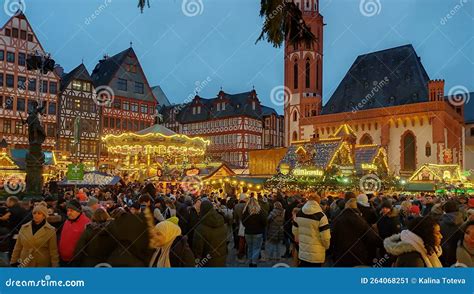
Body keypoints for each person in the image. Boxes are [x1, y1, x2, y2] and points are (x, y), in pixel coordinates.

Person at [332, 199, 381, 267]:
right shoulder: (359, 220)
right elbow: (371, 236)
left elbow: (333, 237)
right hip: (357, 255)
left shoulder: (338, 219)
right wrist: (383, 244)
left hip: (340, 254)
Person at [10, 202, 59, 267]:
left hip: (41, 264)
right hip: (25, 262)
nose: (36, 215)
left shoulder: (50, 230)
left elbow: (53, 251)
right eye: (34, 213)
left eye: (39, 213)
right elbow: (18, 246)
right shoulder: (24, 227)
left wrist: (55, 266)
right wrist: (13, 261)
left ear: (44, 216)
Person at [294, 193, 330, 267]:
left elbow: (294, 231)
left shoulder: (299, 213)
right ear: (318, 202)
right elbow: (325, 237)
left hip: (303, 251)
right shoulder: (321, 216)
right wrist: (326, 247)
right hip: (316, 253)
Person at [192, 200, 227, 267]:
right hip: (221, 259)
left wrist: (196, 262)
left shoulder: (200, 228)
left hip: (207, 262)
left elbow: (197, 250)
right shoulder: (221, 222)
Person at [58, 199, 90, 266]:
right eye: (68, 210)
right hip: (62, 260)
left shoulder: (86, 223)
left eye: (71, 211)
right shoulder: (67, 221)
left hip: (76, 262)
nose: (68, 213)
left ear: (78, 211)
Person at [242, 197, 267, 267]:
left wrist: (247, 226)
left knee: (250, 247)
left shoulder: (245, 211)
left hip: (248, 232)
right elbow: (264, 221)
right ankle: (254, 262)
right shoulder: (260, 211)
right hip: (258, 232)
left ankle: (250, 261)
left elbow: (243, 222)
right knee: (256, 248)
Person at [439, 200, 464, 266]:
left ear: (445, 210)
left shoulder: (439, 224)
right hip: (458, 256)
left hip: (442, 254)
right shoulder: (464, 224)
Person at [233, 193, 248, 261]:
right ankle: (246, 252)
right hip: (246, 224)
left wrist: (236, 223)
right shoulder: (247, 205)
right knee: (246, 238)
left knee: (241, 239)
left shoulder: (236, 206)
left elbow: (235, 216)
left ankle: (240, 252)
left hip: (239, 223)